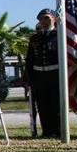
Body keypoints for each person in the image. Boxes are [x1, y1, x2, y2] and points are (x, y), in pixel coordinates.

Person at [24, 9, 60, 138]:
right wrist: (28, 78)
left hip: (55, 75)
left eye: (47, 18)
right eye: (41, 19)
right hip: (39, 76)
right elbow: (30, 59)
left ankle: (58, 131)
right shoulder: (35, 38)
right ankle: (47, 131)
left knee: (56, 104)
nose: (44, 21)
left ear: (54, 19)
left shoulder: (59, 35)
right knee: (42, 105)